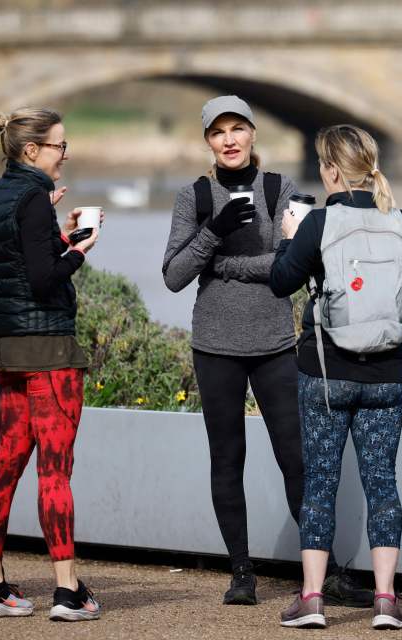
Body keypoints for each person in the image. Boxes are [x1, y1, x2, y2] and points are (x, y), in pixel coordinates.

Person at [162, 96, 370, 607]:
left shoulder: (282, 189)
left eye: (238, 129)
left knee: (296, 459)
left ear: (253, 134)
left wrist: (229, 268)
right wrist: (214, 234)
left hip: (276, 344)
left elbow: (292, 263)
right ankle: (241, 573)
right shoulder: (194, 197)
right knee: (226, 459)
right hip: (214, 346)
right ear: (208, 140)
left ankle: (329, 572)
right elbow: (172, 275)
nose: (229, 140)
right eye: (218, 132)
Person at [270, 124, 402, 630]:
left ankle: (311, 600)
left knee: (321, 484)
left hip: (325, 375)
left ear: (329, 170)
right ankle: (386, 600)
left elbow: (280, 283)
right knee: (382, 484)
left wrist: (289, 241)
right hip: (387, 376)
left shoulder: (319, 224)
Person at [0, 108, 101, 622]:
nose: (64, 154)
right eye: (59, 146)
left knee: (4, 464)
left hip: (8, 350)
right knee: (54, 470)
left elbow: (16, 266)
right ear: (32, 151)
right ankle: (67, 591)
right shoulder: (32, 200)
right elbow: (45, 281)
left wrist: (58, 238)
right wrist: (81, 250)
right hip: (49, 353)